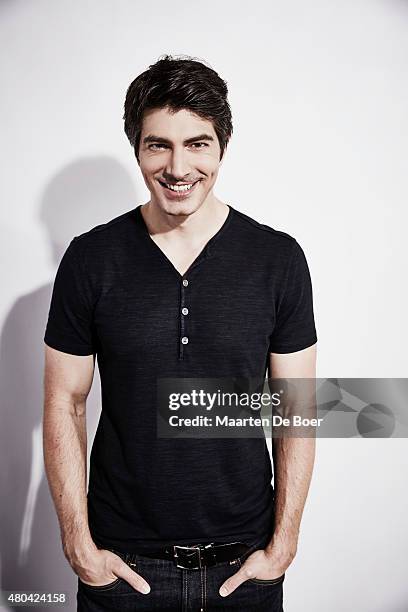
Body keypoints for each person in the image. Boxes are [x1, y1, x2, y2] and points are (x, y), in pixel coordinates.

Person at [43, 54, 318, 612]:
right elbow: (64, 402)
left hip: (245, 568)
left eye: (197, 144)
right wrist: (79, 545)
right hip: (123, 571)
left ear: (223, 146)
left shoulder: (277, 259)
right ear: (136, 149)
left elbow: (299, 407)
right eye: (158, 145)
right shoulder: (91, 259)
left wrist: (283, 545)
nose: (177, 166)